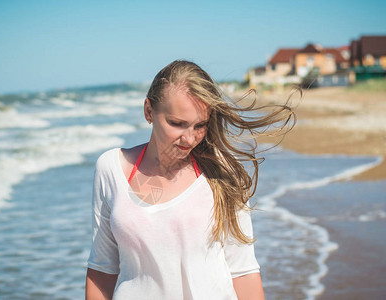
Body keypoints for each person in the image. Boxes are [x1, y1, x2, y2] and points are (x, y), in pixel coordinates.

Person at [85, 60, 295, 299]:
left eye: (200, 125)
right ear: (148, 111)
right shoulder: (111, 168)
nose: (190, 138)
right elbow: (102, 268)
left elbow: (243, 271)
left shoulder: (220, 172)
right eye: (177, 123)